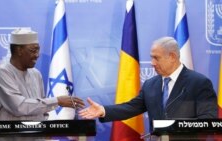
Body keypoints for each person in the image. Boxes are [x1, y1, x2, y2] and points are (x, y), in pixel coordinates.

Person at [79, 36, 217, 127]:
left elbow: (208, 120)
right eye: (151, 58)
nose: (152, 63)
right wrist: (103, 110)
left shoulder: (199, 83)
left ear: (173, 57)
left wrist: (176, 127)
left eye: (156, 58)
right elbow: (131, 107)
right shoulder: (151, 84)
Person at [0, 28, 84, 121]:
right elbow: (19, 107)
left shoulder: (36, 74)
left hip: (38, 134)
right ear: (19, 50)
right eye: (33, 50)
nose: (37, 55)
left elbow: (42, 109)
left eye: (38, 50)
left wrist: (45, 130)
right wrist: (57, 101)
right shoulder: (3, 72)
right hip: (11, 134)